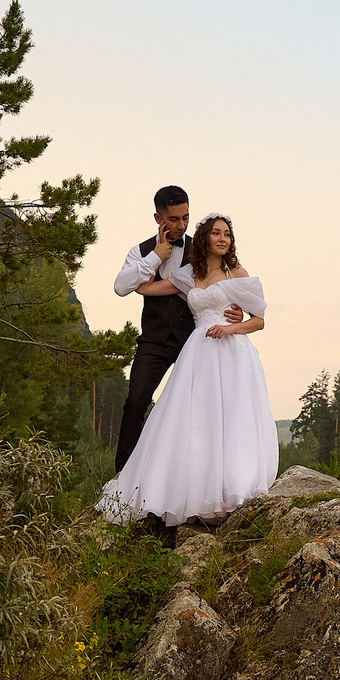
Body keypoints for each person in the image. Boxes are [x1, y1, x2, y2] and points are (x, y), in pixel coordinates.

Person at [97, 214, 274, 526]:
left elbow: (258, 321)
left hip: (232, 353)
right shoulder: (189, 275)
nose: (223, 239)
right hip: (199, 353)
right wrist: (156, 254)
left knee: (231, 418)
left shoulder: (237, 273)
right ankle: (189, 488)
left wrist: (230, 327)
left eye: (227, 234)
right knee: (197, 421)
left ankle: (230, 489)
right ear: (204, 238)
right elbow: (143, 288)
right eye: (216, 233)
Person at [110, 186, 196, 469]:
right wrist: (155, 257)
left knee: (194, 407)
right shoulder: (140, 252)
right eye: (174, 219)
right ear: (158, 218)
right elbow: (121, 287)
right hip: (154, 341)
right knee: (136, 401)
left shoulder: (200, 250)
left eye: (185, 217)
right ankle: (123, 475)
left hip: (193, 339)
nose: (181, 225)